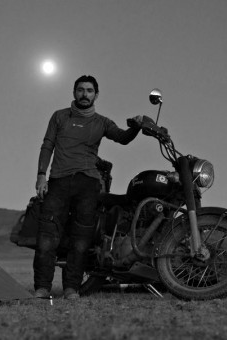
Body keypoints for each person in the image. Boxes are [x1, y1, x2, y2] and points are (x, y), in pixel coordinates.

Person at [33, 75, 143, 300]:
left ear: (96, 95)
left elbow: (122, 138)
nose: (85, 94)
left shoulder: (102, 122)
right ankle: (42, 288)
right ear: (74, 92)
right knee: (47, 237)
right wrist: (41, 176)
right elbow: (47, 146)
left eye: (90, 90)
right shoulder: (59, 117)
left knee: (81, 239)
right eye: (81, 90)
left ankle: (71, 288)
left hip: (88, 183)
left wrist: (137, 126)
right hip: (59, 181)